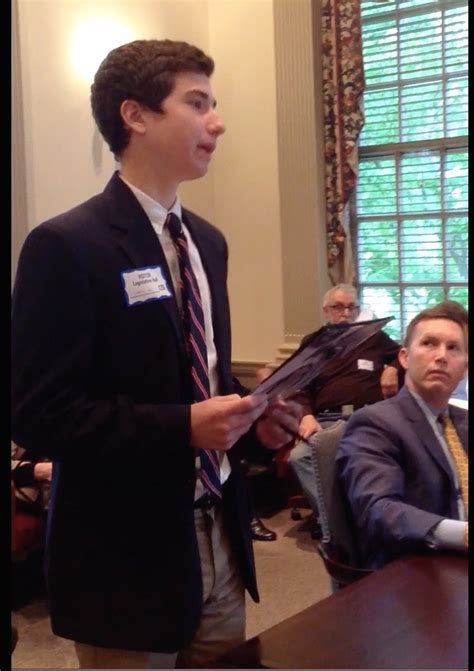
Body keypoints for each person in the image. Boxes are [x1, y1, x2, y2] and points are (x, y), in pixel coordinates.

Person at [11, 39, 302, 669]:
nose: (217, 122)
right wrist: (183, 428)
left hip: (219, 534)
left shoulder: (208, 243)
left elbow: (202, 379)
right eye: (197, 103)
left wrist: (251, 424)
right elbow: (39, 415)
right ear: (135, 115)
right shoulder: (65, 245)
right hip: (124, 555)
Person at [336, 301, 468, 569]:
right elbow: (378, 510)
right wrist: (462, 535)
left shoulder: (463, 420)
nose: (441, 356)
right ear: (405, 358)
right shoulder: (375, 423)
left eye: (453, 347)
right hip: (420, 567)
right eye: (429, 343)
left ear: (465, 368)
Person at [286, 284, 402, 535]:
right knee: (299, 457)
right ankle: (336, 522)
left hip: (367, 418)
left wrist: (393, 368)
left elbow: (404, 356)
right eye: (338, 307)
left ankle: (349, 521)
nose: (346, 313)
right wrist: (306, 415)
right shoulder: (313, 343)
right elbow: (298, 385)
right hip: (326, 421)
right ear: (326, 311)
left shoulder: (373, 338)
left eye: (352, 307)